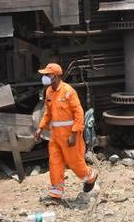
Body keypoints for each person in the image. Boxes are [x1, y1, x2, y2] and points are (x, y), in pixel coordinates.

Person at [33, 63, 98, 200]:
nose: (44, 77)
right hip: (55, 135)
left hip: (69, 134)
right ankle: (56, 193)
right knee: (55, 162)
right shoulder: (49, 92)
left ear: (55, 76)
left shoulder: (68, 91)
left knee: (74, 162)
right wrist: (40, 128)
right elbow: (48, 113)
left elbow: (79, 113)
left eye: (47, 75)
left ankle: (90, 176)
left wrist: (74, 134)